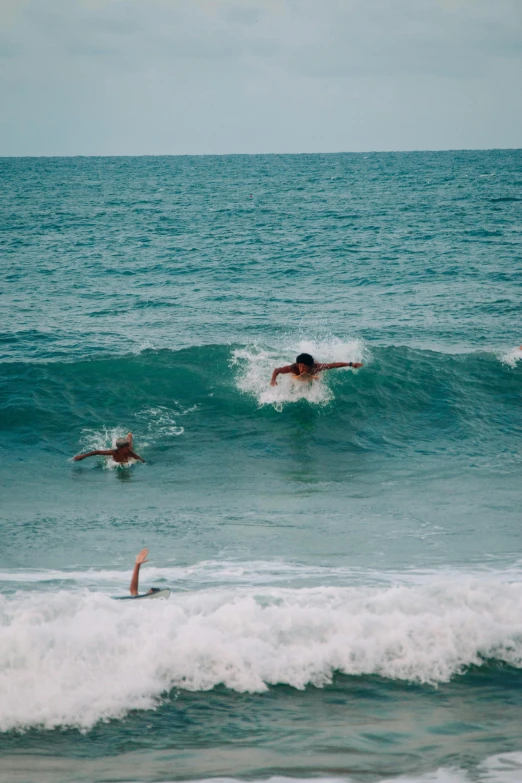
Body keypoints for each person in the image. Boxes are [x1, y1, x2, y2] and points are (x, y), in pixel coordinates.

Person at [270, 353, 363, 386]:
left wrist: (351, 364)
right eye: (300, 366)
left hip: (312, 364)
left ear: (310, 366)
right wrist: (273, 380)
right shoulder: (294, 367)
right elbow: (277, 370)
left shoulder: (316, 367)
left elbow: (334, 365)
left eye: (304, 367)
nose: (301, 369)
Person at [73, 432, 145, 464]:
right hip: (119, 450)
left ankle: (129, 436)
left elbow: (139, 459)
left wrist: (144, 462)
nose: (127, 449)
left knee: (130, 446)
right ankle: (128, 437)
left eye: (127, 448)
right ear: (120, 449)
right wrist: (83, 456)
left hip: (125, 451)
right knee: (129, 446)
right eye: (126, 448)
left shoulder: (129, 452)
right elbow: (97, 452)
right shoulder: (113, 452)